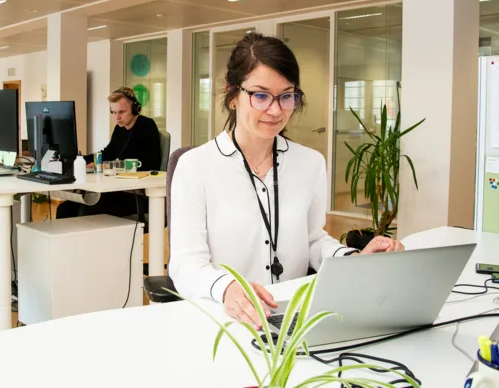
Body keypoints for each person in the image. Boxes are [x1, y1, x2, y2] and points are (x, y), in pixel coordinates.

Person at [168, 32, 404, 330]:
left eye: (287, 96)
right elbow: (185, 264)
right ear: (232, 96)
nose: (276, 110)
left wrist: (351, 259)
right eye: (261, 95)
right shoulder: (195, 167)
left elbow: (313, 240)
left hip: (297, 316)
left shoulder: (310, 163)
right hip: (224, 321)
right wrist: (226, 287)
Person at [56, 87, 162, 219]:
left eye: (122, 112)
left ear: (135, 109)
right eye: (113, 112)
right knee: (64, 209)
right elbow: (108, 153)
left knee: (86, 212)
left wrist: (111, 165)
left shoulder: (147, 126)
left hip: (135, 195)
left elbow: (146, 165)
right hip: (117, 190)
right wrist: (79, 159)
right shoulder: (120, 128)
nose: (117, 117)